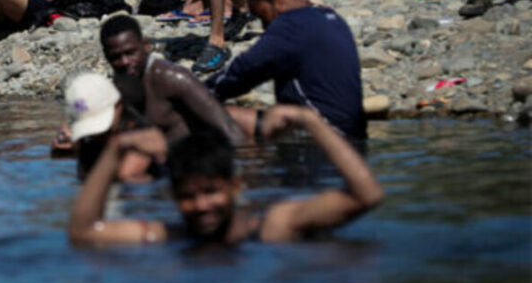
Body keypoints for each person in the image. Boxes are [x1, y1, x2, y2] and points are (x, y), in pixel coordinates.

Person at [67, 105, 383, 246]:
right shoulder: (170, 235)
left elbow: (367, 195)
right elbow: (83, 233)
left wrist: (310, 122)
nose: (202, 205)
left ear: (234, 186)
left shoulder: (273, 228)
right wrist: (117, 148)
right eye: (188, 197)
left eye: (210, 191)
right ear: (175, 197)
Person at [206, 0, 367, 139]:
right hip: (353, 131)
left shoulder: (291, 26)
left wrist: (199, 93)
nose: (265, 26)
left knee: (216, 115)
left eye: (261, 15)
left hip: (321, 136)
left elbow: (243, 72)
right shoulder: (331, 17)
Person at [99, 15, 245, 143]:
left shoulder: (173, 79)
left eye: (130, 53)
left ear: (145, 46)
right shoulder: (116, 89)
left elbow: (230, 131)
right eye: (116, 57)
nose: (125, 61)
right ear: (106, 55)